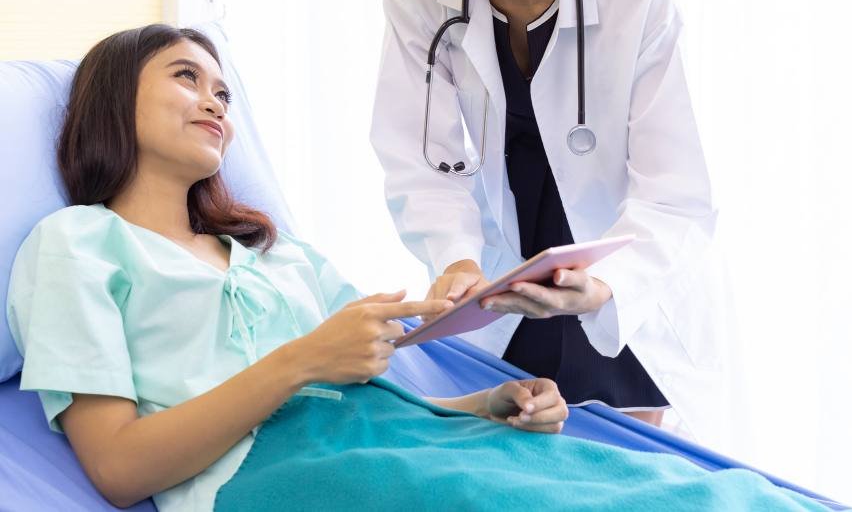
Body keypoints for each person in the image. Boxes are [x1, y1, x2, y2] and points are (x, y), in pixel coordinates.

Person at [6, 25, 568, 511]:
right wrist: (302, 358)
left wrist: (484, 410)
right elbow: (118, 470)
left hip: (387, 447)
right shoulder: (78, 243)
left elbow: (364, 410)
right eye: (186, 77)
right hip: (273, 480)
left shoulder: (279, 253)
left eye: (223, 92)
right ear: (114, 101)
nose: (216, 104)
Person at [356, 0, 724, 440]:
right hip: (503, 310)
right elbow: (419, 164)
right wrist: (455, 261)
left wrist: (608, 284)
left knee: (631, 481)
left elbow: (675, 195)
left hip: (622, 316)